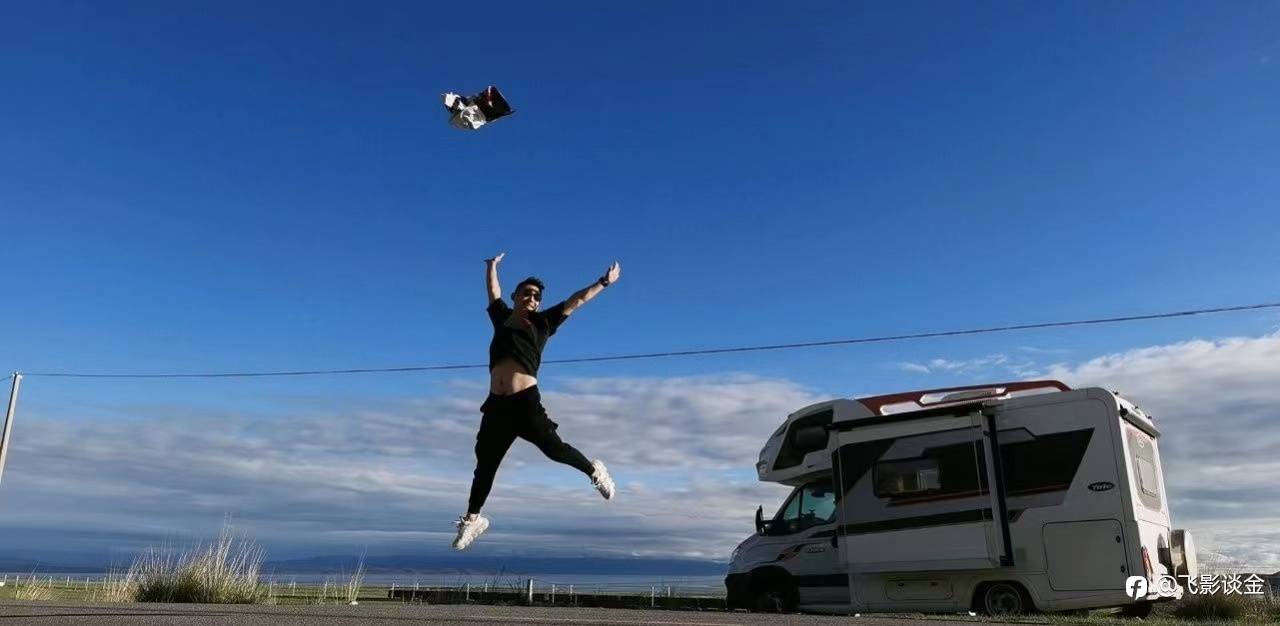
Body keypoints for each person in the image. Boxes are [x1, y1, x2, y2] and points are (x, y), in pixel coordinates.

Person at [452, 252, 621, 550]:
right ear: (516, 296)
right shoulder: (502, 318)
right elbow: (493, 292)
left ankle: (594, 471)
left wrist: (603, 282)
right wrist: (492, 266)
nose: (532, 298)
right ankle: (473, 520)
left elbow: (577, 301)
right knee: (485, 464)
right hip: (496, 406)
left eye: (536, 296)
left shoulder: (543, 322)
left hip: (525, 402)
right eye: (526, 293)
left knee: (555, 450)